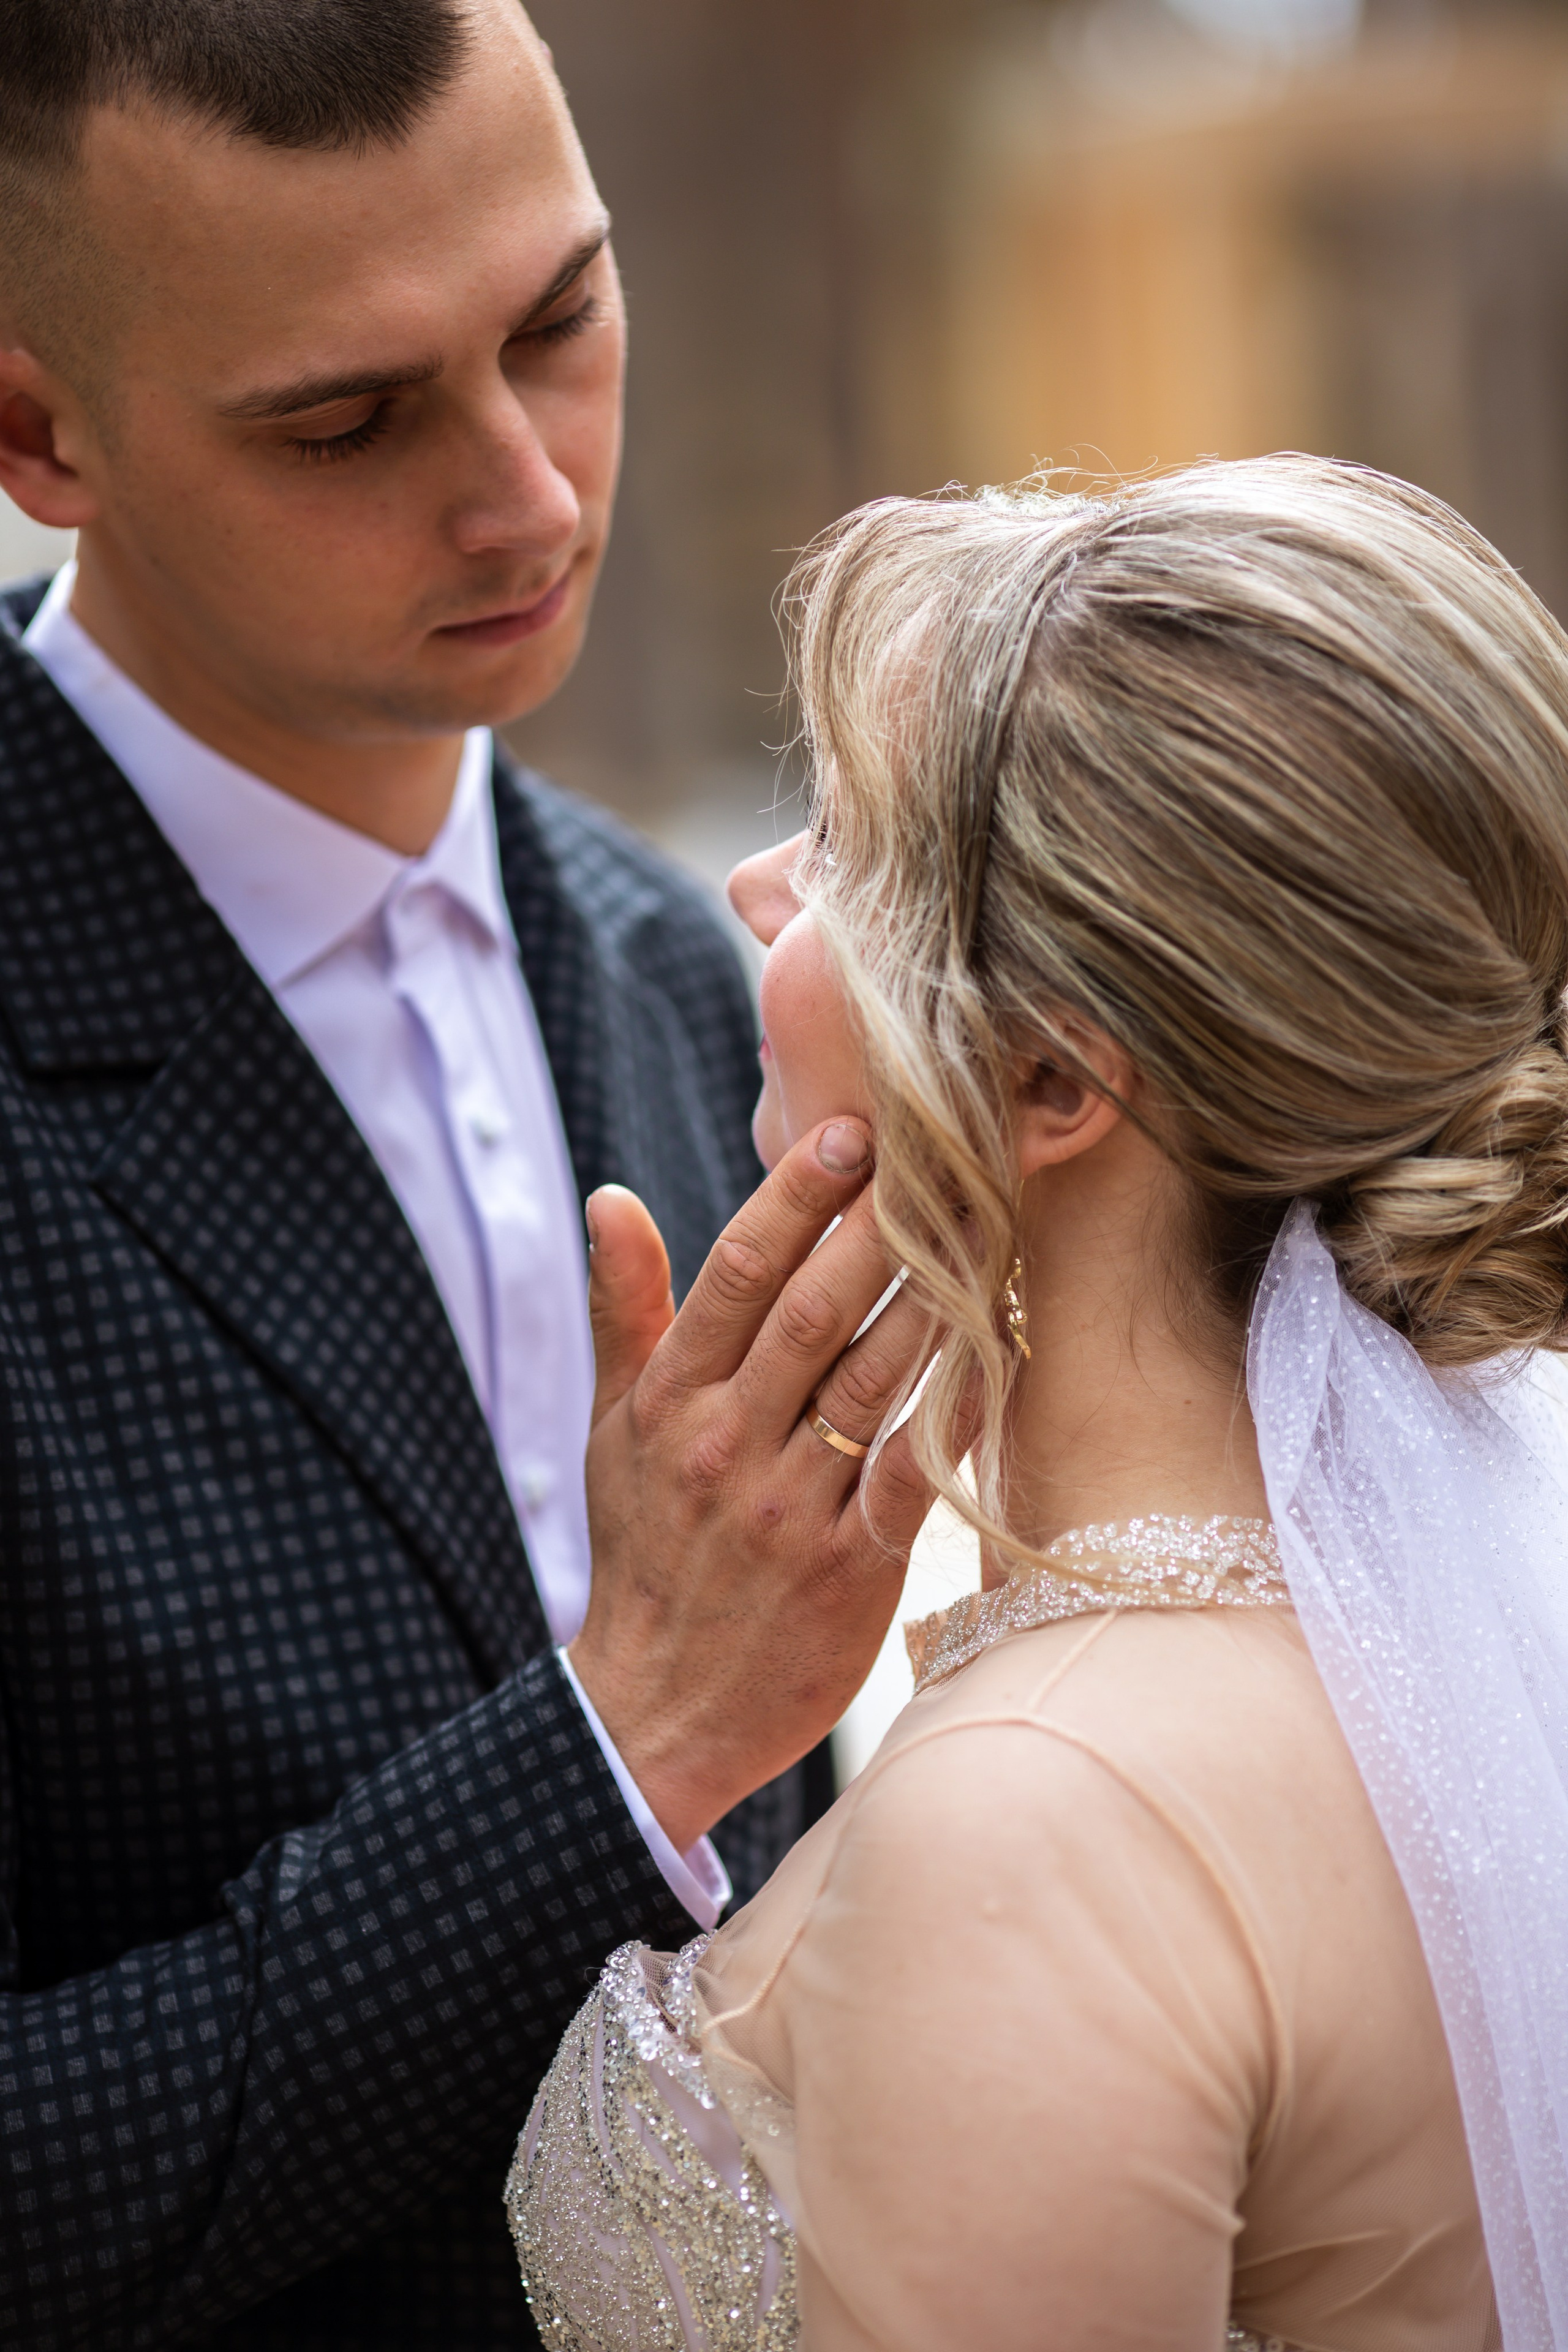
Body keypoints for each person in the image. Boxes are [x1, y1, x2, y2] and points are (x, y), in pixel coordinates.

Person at [0, 6, 941, 2347]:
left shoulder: (694, 971)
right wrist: (624, 1750)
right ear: (34, 432)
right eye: (345, 421)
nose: (526, 494)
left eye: (560, 320)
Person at [508, 454, 1568, 2350]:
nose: (753, 885)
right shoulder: (1428, 1657)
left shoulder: (1041, 1820)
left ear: (1054, 1084)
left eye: (847, 850)